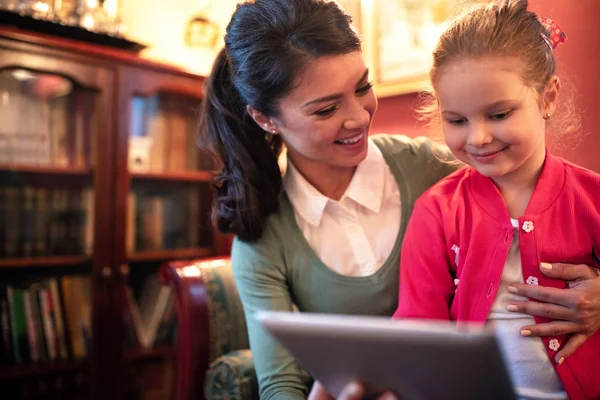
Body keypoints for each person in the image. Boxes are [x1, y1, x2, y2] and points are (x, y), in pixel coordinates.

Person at [198, 0, 600, 399]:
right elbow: (280, 383)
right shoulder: (264, 237)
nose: (358, 117)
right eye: (326, 109)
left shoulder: (439, 167)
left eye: (362, 87)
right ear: (265, 118)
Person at [393, 1, 600, 399]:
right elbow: (418, 334)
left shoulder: (591, 197)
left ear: (548, 96)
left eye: (499, 114)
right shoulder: (436, 211)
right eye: (457, 120)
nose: (478, 138)